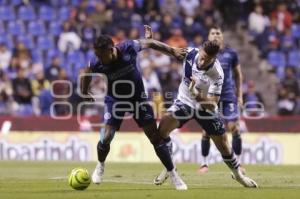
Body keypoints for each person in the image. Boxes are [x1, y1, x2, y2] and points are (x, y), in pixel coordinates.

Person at [144, 27, 258, 188]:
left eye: (208, 60)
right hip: (184, 102)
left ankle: (238, 175)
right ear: (200, 50)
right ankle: (169, 167)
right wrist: (150, 42)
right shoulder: (190, 53)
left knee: (223, 144)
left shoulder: (217, 73)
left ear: (214, 58)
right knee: (160, 132)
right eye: (203, 57)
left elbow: (212, 105)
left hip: (204, 108)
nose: (203, 61)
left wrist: (195, 93)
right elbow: (169, 50)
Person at [80, 26, 188, 190]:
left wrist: (173, 51)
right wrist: (84, 90)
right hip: (115, 99)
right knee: (107, 136)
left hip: (138, 98)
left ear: (111, 50)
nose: (98, 58)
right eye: (96, 55)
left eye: (101, 55)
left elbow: (150, 43)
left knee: (154, 136)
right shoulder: (97, 62)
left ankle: (173, 174)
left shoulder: (128, 47)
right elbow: (86, 73)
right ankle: (100, 165)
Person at [198, 25, 244, 174]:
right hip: (210, 96)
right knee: (206, 130)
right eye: (213, 33)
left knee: (234, 128)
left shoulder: (231, 53)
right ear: (208, 36)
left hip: (228, 95)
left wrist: (240, 95)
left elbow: (238, 74)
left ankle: (238, 162)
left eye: (218, 33)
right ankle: (204, 164)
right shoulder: (203, 52)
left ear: (222, 36)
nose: (216, 35)